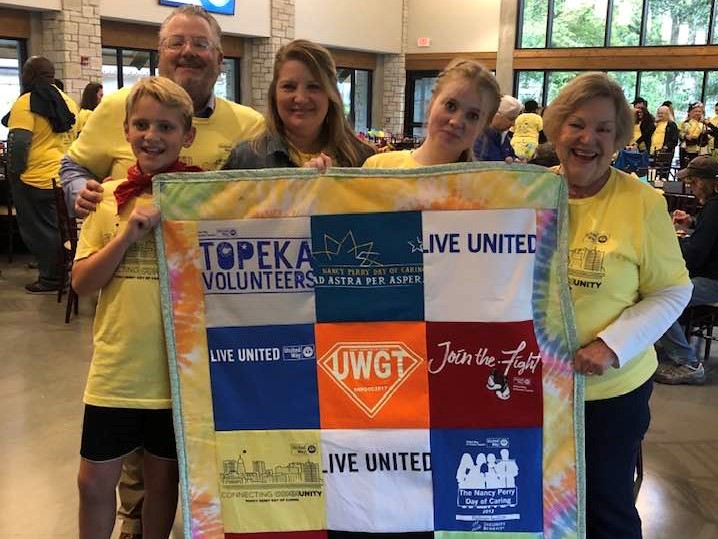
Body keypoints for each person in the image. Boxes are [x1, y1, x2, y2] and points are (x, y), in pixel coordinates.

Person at [543, 72, 691, 539]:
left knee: (605, 509)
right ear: (556, 129)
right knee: (536, 505)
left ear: (620, 139)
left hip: (607, 394)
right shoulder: (525, 192)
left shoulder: (641, 201)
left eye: (604, 129)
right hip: (533, 392)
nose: (588, 139)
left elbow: (673, 290)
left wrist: (613, 343)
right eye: (577, 125)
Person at [73, 77, 201, 539]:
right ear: (126, 130)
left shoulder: (200, 200)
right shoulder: (107, 200)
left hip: (176, 373)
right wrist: (127, 236)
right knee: (93, 481)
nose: (153, 135)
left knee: (162, 483)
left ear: (187, 135)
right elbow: (83, 283)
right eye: (142, 124)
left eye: (166, 126)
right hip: (117, 369)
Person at [61, 4, 265, 218]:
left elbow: (270, 194)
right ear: (160, 54)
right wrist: (82, 194)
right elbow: (74, 166)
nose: (187, 51)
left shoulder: (250, 125)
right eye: (176, 43)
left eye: (201, 44)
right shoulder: (117, 106)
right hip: (125, 247)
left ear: (219, 59)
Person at [222, 39, 375, 170]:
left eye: (314, 86)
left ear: (331, 94)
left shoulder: (363, 159)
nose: (300, 98)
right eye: (289, 86)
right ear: (274, 94)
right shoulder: (246, 159)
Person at [6, 56, 79, 293]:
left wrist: (14, 173)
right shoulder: (67, 101)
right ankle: (63, 269)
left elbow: (18, 143)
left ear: (27, 76)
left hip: (34, 179)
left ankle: (51, 278)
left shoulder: (26, 102)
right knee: (60, 229)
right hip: (64, 177)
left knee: (40, 231)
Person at [362, 58, 500, 168]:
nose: (456, 122)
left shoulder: (487, 188)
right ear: (431, 102)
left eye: (472, 116)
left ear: (485, 126)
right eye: (450, 106)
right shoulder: (379, 169)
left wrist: (518, 182)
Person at [654, 155, 718, 385]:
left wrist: (669, 245)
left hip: (713, 281)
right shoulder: (712, 206)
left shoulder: (713, 207)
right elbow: (708, 233)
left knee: (660, 300)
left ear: (705, 181)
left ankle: (688, 363)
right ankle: (668, 343)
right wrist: (691, 222)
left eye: (693, 182)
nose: (691, 187)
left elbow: (695, 255)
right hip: (711, 275)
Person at [473, 94, 521, 162]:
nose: (513, 124)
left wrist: (516, 160)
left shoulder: (503, 136)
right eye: (511, 119)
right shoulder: (479, 138)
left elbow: (511, 155)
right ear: (495, 115)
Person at [679, 102, 709, 169]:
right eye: (695, 111)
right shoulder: (685, 123)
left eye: (699, 111)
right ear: (691, 112)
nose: (697, 113)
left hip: (701, 148)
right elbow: (680, 134)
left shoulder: (705, 123)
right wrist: (686, 136)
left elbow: (709, 136)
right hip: (687, 147)